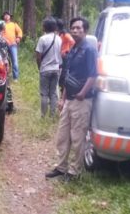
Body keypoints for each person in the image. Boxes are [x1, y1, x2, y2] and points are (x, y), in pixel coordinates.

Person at [45, 17, 98, 180]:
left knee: (77, 137)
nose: (75, 30)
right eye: (73, 28)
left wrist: (82, 93)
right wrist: (63, 99)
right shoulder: (74, 49)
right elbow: (68, 76)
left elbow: (93, 75)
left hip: (82, 101)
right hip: (69, 100)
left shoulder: (89, 49)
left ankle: (74, 171)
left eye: (78, 28)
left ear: (85, 30)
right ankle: (61, 168)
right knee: (62, 136)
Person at [35, 17, 62, 118]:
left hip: (45, 69)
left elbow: (38, 55)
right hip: (56, 69)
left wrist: (39, 66)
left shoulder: (42, 39)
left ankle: (43, 116)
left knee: (44, 94)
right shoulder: (59, 38)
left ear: (45, 27)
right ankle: (52, 115)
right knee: (53, 93)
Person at [0, 20, 15, 113]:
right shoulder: (5, 40)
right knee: (6, 83)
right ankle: (9, 105)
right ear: (3, 28)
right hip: (3, 64)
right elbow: (10, 54)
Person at [2, 11, 23, 81]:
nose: (6, 16)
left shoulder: (14, 24)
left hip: (13, 45)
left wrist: (18, 37)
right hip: (4, 45)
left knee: (15, 61)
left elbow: (20, 31)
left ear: (10, 16)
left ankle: (15, 77)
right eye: (5, 15)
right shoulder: (2, 24)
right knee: (3, 61)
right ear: (3, 17)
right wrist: (5, 40)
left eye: (8, 15)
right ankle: (4, 76)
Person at [57, 18, 75, 92]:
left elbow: (72, 42)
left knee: (63, 74)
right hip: (59, 56)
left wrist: (67, 51)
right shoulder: (59, 34)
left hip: (65, 57)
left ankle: (63, 91)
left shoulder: (65, 34)